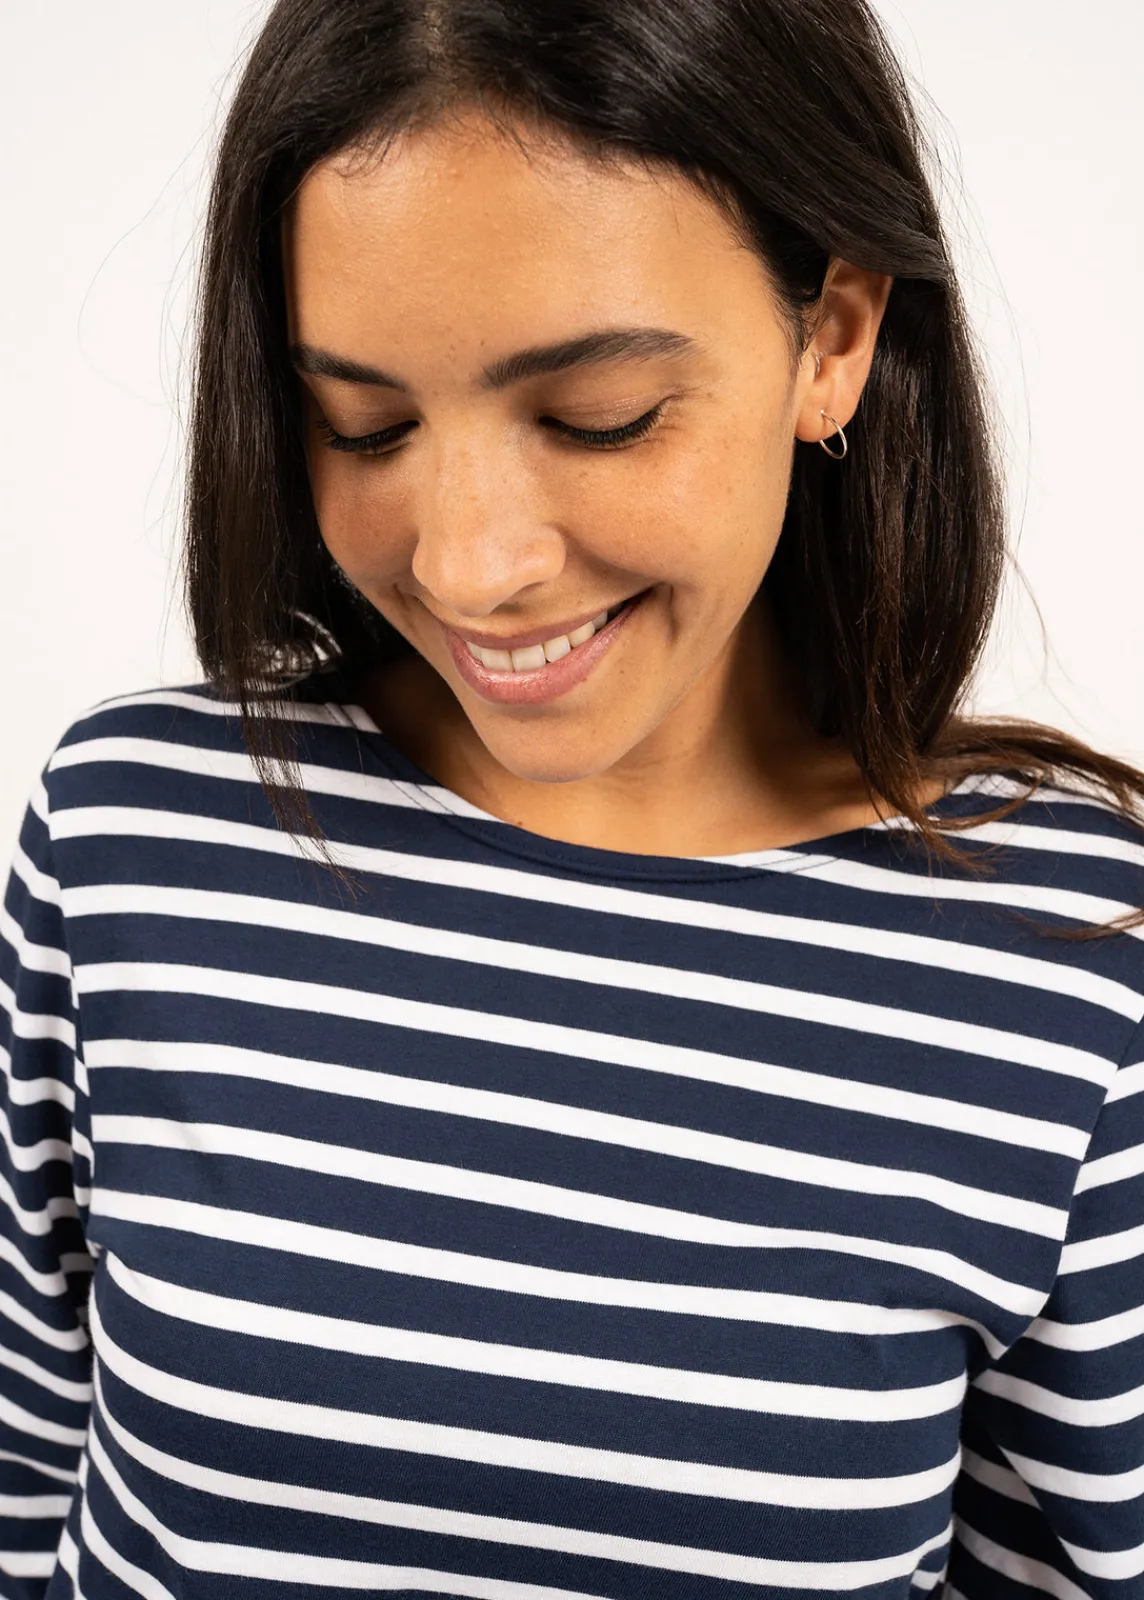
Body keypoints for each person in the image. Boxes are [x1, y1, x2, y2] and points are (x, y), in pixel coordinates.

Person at [2, 0, 1142, 1594]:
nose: (471, 563)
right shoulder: (134, 839)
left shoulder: (1072, 955)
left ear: (833, 338)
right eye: (365, 425)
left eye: (597, 416)